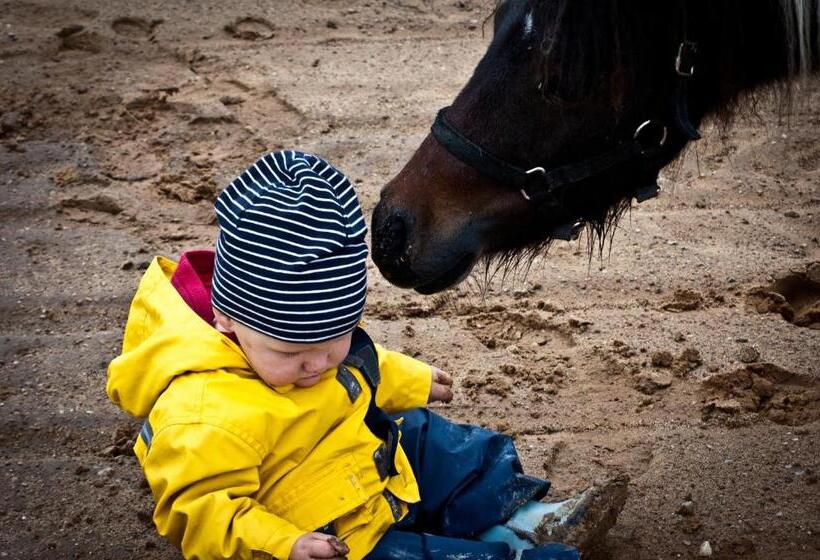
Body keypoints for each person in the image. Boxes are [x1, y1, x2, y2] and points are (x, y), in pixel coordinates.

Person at [107, 150, 627, 560]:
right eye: (292, 353)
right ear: (227, 320)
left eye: (332, 339)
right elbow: (198, 512)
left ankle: (526, 518)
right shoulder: (201, 414)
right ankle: (503, 552)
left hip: (361, 459)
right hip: (321, 526)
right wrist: (282, 544)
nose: (317, 365)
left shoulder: (316, 348)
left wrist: (405, 378)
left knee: (432, 440)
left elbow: (358, 363)